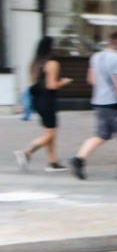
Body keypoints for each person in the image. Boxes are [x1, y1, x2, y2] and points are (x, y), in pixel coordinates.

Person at [71, 30, 117, 180]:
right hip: (115, 103)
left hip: (99, 101)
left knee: (101, 135)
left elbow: (91, 80)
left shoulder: (95, 57)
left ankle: (79, 158)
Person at [14, 36, 72, 172]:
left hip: (37, 100)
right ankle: (26, 152)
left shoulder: (34, 63)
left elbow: (31, 83)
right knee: (50, 134)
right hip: (48, 100)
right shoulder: (52, 63)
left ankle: (53, 161)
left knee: (50, 131)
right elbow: (51, 85)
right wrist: (63, 82)